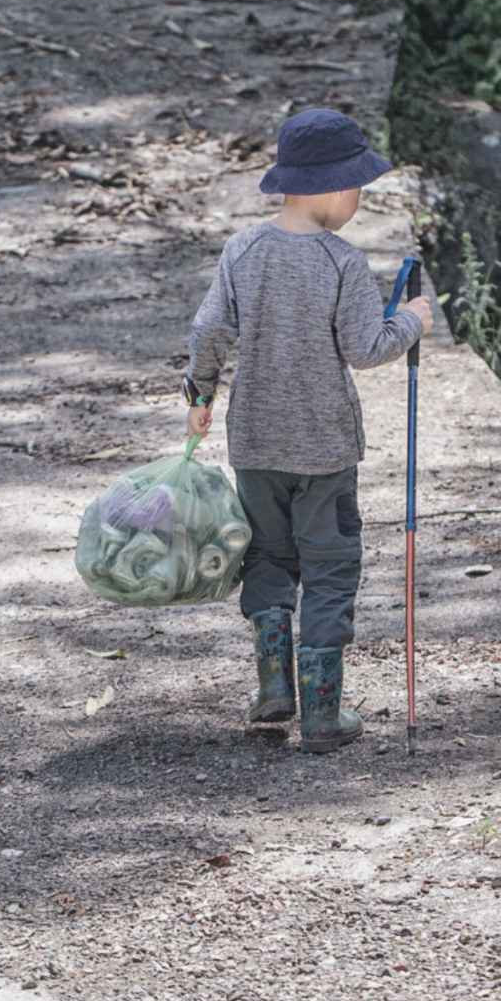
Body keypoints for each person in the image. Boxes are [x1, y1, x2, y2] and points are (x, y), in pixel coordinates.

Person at [182, 108, 433, 753]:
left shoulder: (243, 248)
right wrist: (413, 321)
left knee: (267, 555)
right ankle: (323, 715)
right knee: (328, 568)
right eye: (357, 188)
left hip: (257, 442)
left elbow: (208, 329)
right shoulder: (342, 261)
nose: (357, 200)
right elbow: (365, 348)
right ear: (333, 187)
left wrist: (201, 392)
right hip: (323, 448)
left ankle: (273, 687)